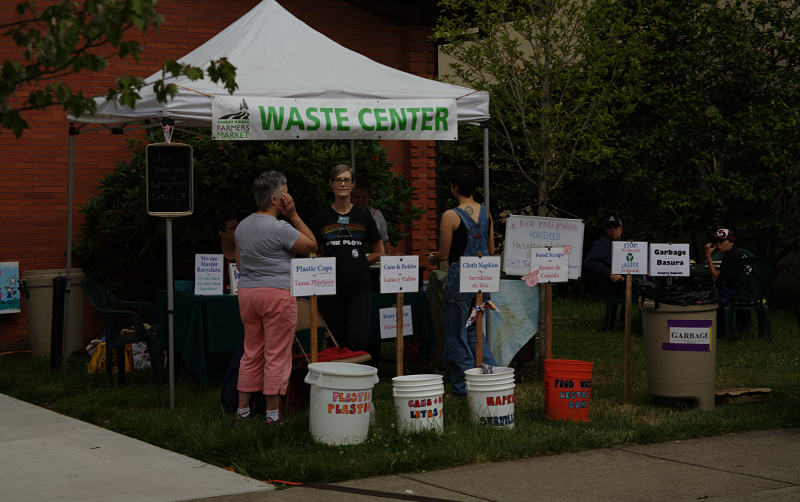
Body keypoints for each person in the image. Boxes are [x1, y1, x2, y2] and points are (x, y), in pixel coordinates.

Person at [233, 171, 316, 424]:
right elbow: (312, 245)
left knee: (252, 351)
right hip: (277, 293)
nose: (288, 198)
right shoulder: (281, 228)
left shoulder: (242, 226)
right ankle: (272, 415)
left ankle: (243, 411)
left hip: (248, 293)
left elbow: (239, 263)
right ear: (274, 199)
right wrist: (293, 215)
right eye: (286, 193)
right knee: (277, 353)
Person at [426, 165, 498, 399]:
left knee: (456, 334)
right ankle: (489, 380)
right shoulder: (486, 212)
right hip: (484, 278)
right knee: (476, 332)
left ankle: (462, 389)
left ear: (454, 187)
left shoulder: (450, 215)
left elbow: (444, 253)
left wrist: (431, 258)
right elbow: (491, 249)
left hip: (460, 278)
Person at [311, 165, 384, 358]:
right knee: (338, 341)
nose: (342, 183)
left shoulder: (363, 217)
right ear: (331, 184)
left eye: (346, 180)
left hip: (359, 287)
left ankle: (358, 384)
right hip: (330, 288)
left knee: (358, 341)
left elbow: (379, 251)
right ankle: (340, 384)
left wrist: (359, 262)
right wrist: (325, 263)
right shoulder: (321, 218)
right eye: (338, 180)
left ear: (353, 185)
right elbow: (310, 253)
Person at [583, 215, 626, 299]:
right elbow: (588, 262)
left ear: (621, 229)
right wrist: (609, 274)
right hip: (621, 284)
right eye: (609, 227)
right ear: (605, 230)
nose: (612, 230)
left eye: (615, 227)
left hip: (635, 280)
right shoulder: (602, 243)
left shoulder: (626, 245)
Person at [351, 177, 393, 256]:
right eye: (357, 197)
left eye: (364, 197)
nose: (361, 200)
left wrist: (389, 261)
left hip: (375, 260)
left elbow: (385, 241)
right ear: (350, 196)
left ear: (369, 196)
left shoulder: (376, 215)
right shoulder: (344, 216)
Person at [704, 228, 747, 303]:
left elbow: (715, 276)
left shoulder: (730, 254)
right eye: (716, 241)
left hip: (740, 293)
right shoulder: (736, 252)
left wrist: (708, 255)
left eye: (722, 241)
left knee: (710, 286)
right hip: (751, 291)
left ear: (731, 242)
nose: (718, 244)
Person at [215, 214, 238, 294]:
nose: (238, 230)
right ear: (222, 233)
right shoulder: (212, 254)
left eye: (238, 227)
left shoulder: (245, 253)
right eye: (233, 228)